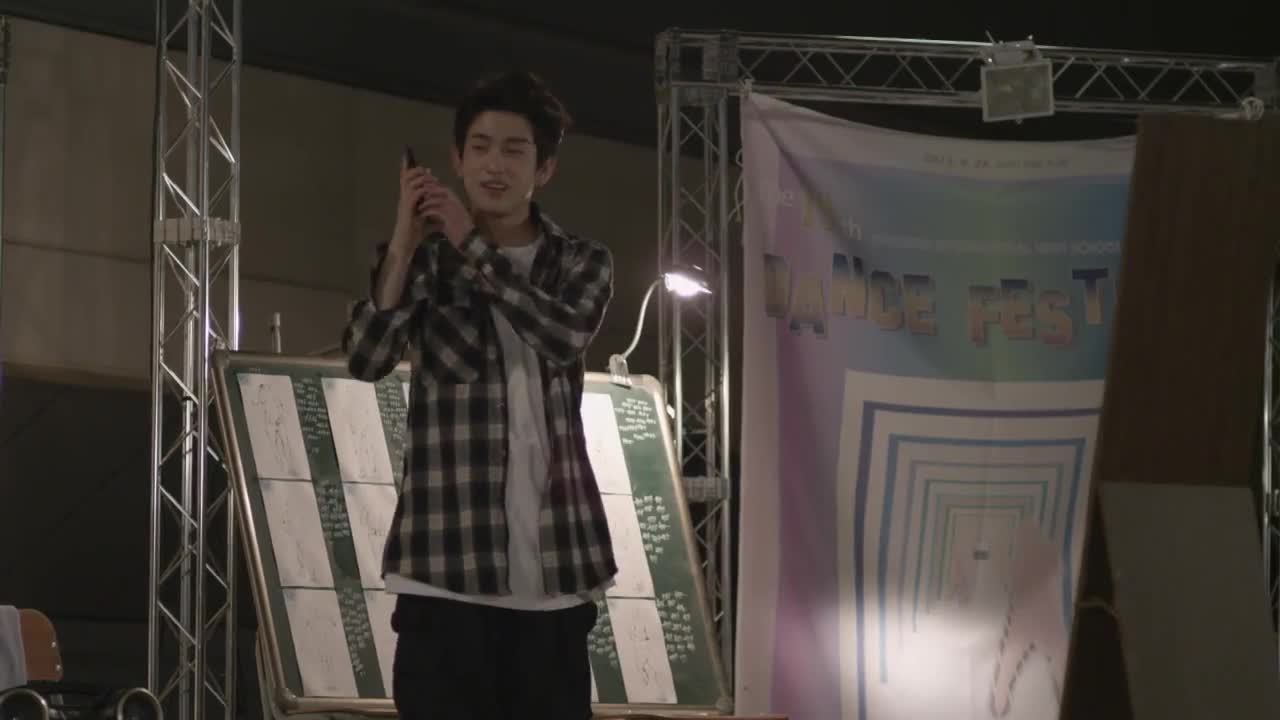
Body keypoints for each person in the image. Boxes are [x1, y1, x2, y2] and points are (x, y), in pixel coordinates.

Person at [341, 70, 617, 719]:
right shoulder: (424, 263)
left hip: (556, 572)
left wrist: (469, 241)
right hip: (444, 570)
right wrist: (404, 242)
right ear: (458, 159)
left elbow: (561, 335)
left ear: (543, 168)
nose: (495, 164)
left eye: (514, 150)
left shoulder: (581, 261)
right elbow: (366, 358)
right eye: (481, 147)